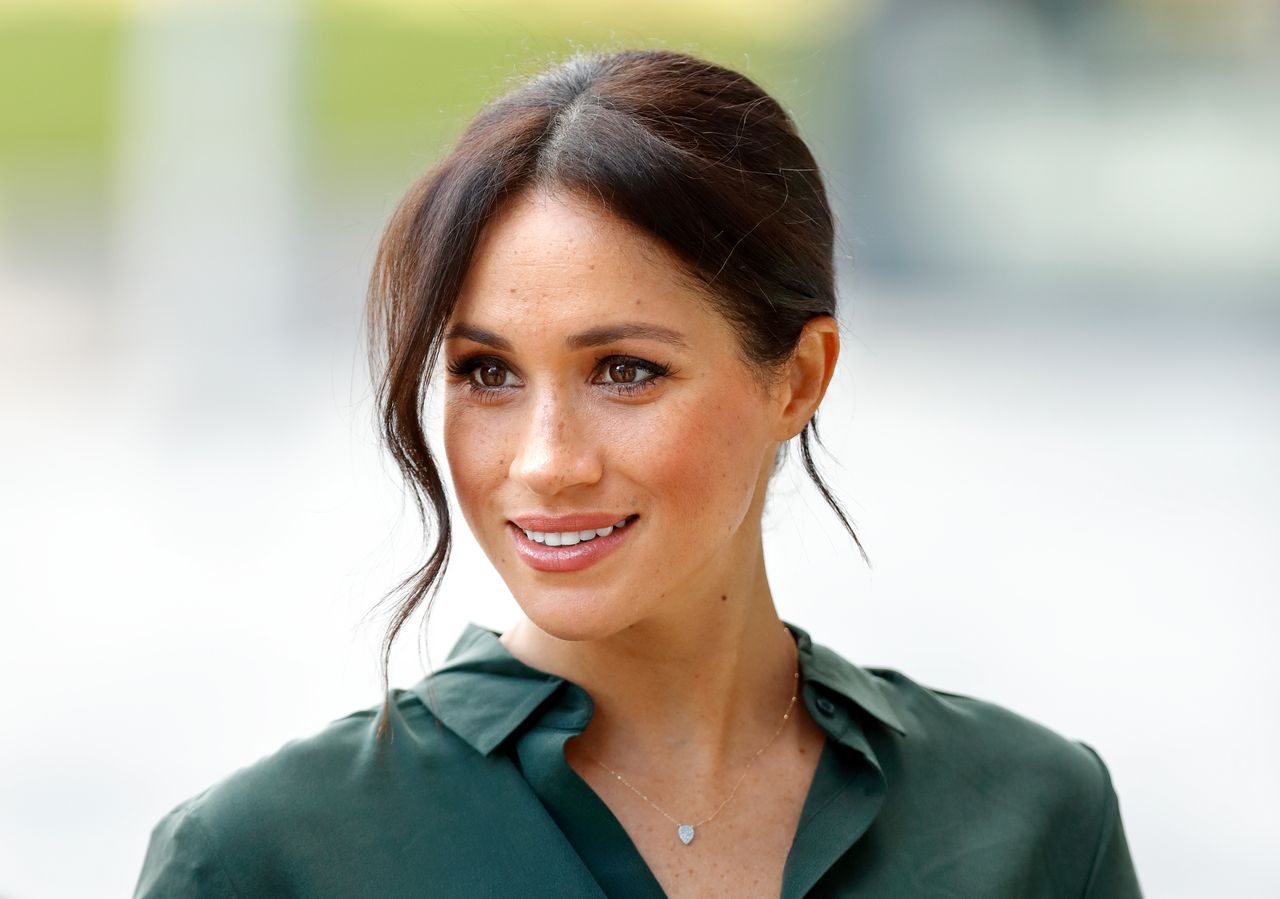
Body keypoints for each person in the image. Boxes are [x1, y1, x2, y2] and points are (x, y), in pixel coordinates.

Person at [132, 49, 1143, 898]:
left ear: (797, 377)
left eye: (623, 371)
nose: (543, 459)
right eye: (485, 373)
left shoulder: (1034, 821)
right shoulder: (262, 861)